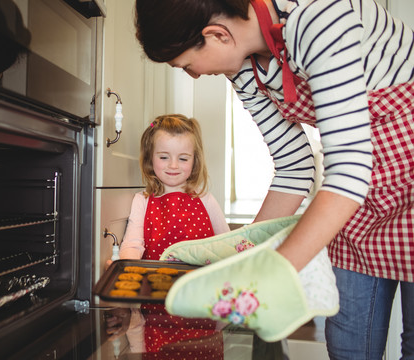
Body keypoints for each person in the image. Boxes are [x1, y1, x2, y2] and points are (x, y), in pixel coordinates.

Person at [134, 0, 414, 359]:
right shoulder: (243, 68)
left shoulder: (320, 17)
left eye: (187, 64)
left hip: (359, 186)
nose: (193, 74)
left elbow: (348, 169)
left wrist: (268, 275)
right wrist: (242, 255)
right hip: (357, 201)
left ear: (217, 35)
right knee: (349, 345)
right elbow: (294, 165)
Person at [117, 113, 231, 357]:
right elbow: (133, 243)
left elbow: (226, 245)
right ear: (150, 158)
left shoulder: (205, 200)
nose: (173, 165)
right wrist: (125, 266)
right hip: (157, 309)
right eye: (164, 157)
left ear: (194, 161)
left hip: (203, 305)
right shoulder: (142, 201)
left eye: (183, 158)